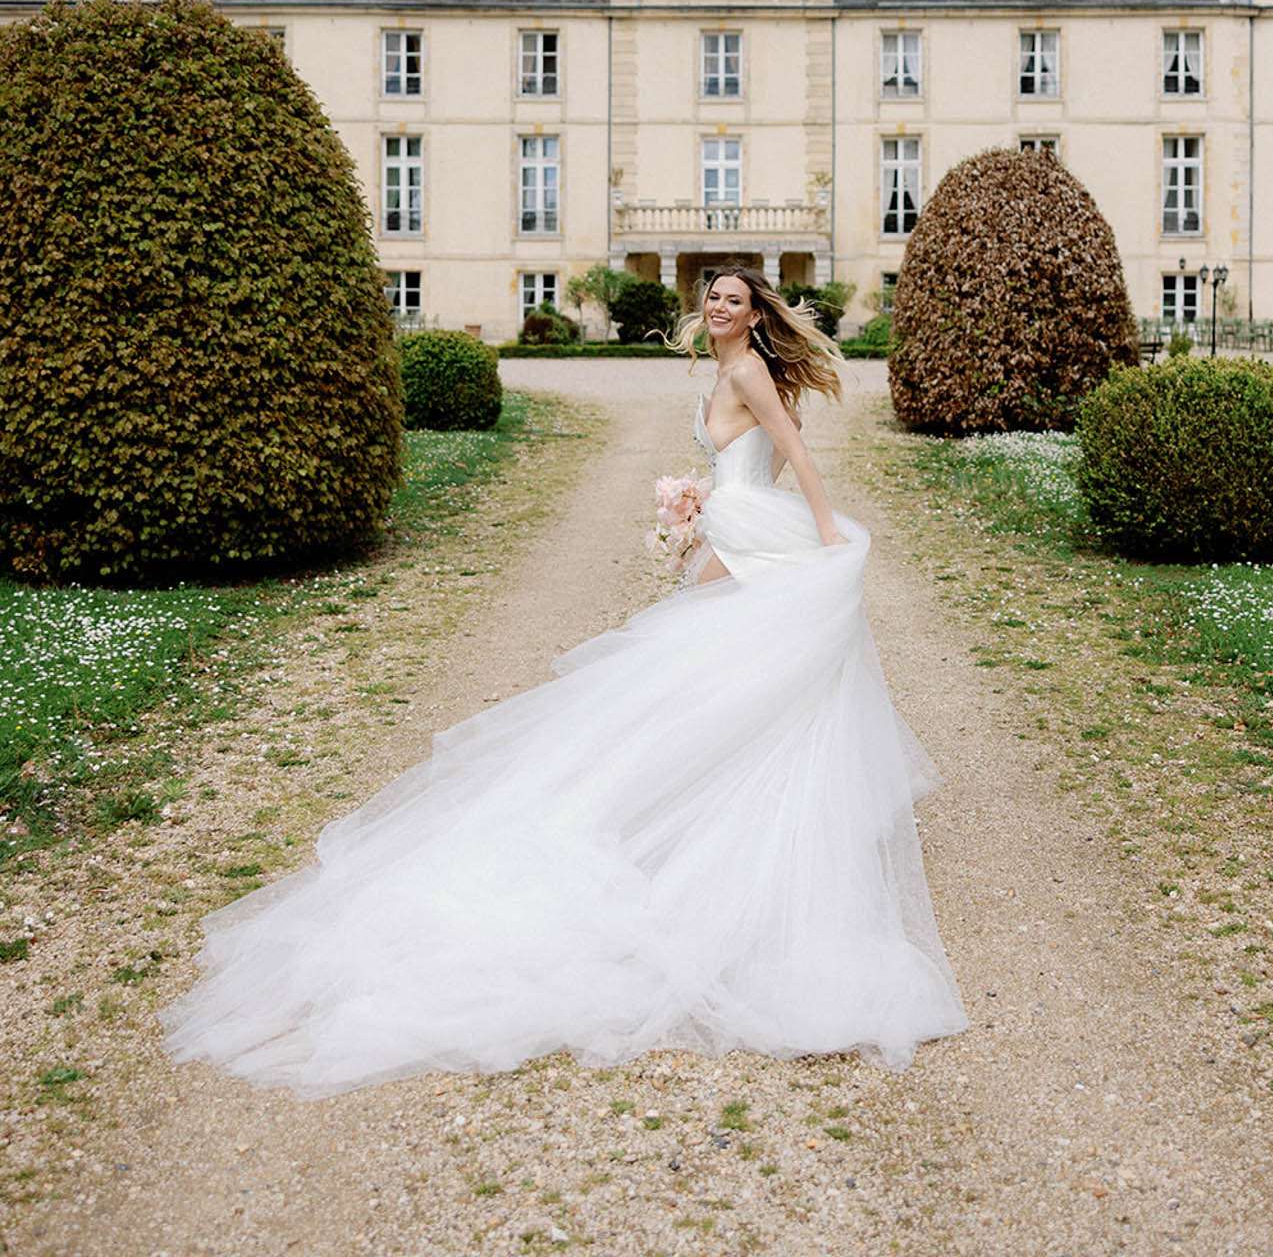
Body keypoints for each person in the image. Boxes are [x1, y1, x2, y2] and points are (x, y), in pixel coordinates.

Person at [160, 264, 967, 1096]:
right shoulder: (725, 367)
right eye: (714, 298)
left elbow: (792, 449)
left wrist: (827, 534)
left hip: (759, 529)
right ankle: (695, 790)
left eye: (734, 300)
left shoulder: (750, 368)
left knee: (724, 663)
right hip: (736, 519)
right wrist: (701, 503)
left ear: (756, 314)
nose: (718, 307)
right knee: (710, 664)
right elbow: (748, 458)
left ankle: (718, 801)